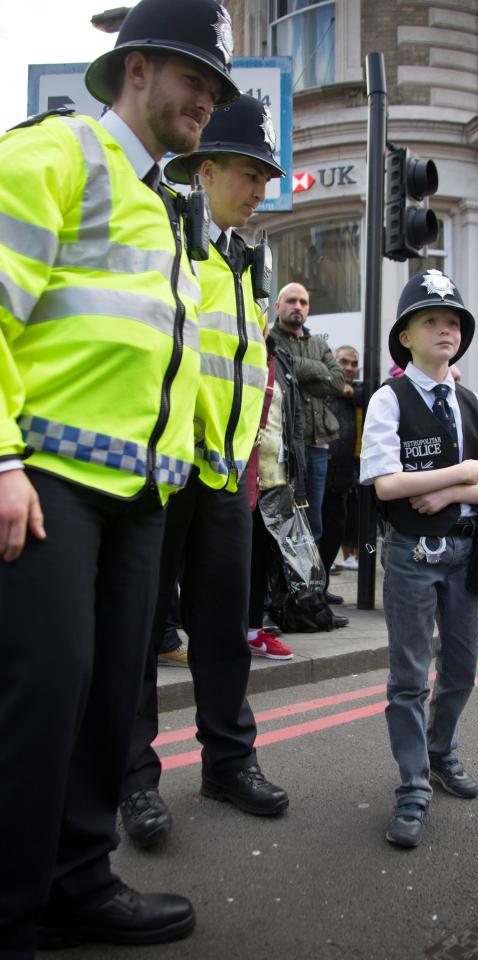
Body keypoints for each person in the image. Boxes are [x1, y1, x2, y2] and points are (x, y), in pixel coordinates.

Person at [0, 1, 239, 954]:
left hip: (143, 495)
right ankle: (12, 910)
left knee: (106, 701)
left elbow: (161, 357)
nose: (207, 103)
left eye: (217, 88)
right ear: (136, 68)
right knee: (41, 694)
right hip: (46, 477)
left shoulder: (167, 210)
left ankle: (79, 879)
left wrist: (182, 474)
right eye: (196, 80)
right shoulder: (51, 155)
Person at [119, 94, 289, 850]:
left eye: (265, 177)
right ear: (207, 169)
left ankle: (228, 761)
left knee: (224, 631)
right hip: (161, 471)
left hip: (223, 476)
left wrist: (256, 462)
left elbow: (247, 369)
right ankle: (131, 783)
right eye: (250, 174)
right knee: (136, 636)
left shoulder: (245, 259)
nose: (261, 189)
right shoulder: (164, 224)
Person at [360, 269, 478, 849]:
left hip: (465, 552)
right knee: (408, 675)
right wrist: (462, 472)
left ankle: (442, 751)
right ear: (406, 336)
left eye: (453, 322)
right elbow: (384, 484)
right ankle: (413, 783)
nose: (446, 330)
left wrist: (451, 489)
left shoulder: (470, 401)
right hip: (410, 554)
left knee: (462, 668)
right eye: (431, 320)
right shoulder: (387, 399)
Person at [246, 334, 307, 659]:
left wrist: (297, 475)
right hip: (240, 479)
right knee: (234, 561)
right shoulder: (241, 360)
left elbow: (293, 420)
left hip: (276, 480)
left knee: (263, 559)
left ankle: (254, 630)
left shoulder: (281, 363)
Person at [270, 283, 345, 542]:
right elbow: (279, 370)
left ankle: (312, 581)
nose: (298, 306)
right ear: (278, 306)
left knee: (313, 524)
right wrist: (316, 371)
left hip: (317, 447)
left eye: (303, 302)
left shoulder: (319, 343)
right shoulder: (268, 339)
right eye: (291, 300)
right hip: (280, 446)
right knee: (281, 520)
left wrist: (298, 370)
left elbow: (337, 382)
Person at [319, 345, 362, 601]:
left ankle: (320, 588)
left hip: (343, 478)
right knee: (315, 534)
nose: (348, 367)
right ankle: (308, 590)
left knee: (334, 535)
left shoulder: (357, 394)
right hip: (320, 473)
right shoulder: (323, 388)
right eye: (343, 362)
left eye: (353, 363)